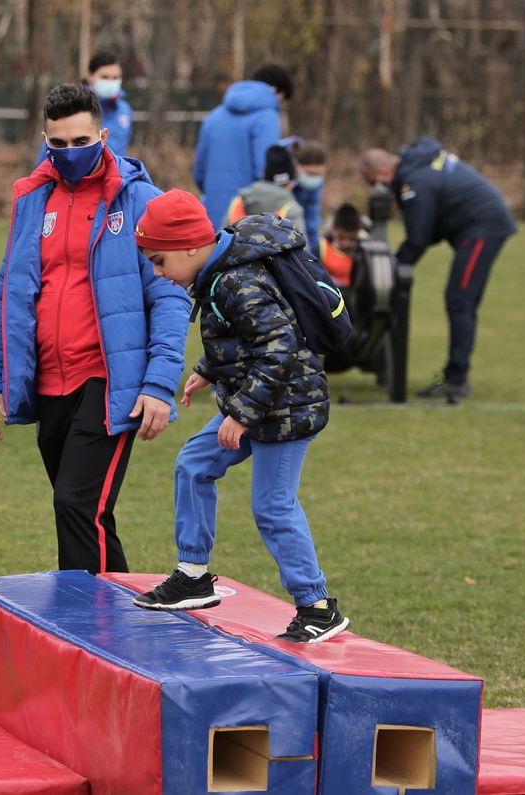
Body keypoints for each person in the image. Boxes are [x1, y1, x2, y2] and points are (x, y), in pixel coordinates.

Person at [0, 83, 190, 575]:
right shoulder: (31, 200)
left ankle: (91, 632)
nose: (70, 153)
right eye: (59, 145)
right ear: (45, 140)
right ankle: (116, 625)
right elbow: (6, 294)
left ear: (103, 133)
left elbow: (170, 297)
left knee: (75, 504)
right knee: (85, 513)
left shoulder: (141, 202)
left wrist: (159, 383)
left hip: (109, 381)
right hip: (49, 382)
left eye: (81, 142)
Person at [130, 190, 350, 644]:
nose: (157, 273)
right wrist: (207, 370)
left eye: (159, 261)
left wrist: (241, 415)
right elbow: (245, 337)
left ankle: (318, 606)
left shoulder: (234, 281)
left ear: (189, 247)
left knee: (273, 506)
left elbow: (279, 346)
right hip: (256, 402)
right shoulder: (217, 274)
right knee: (194, 463)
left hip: (286, 409)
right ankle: (192, 574)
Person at [361, 138, 517, 400]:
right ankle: (455, 373)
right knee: (461, 301)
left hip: (483, 227)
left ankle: (457, 379)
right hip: (478, 224)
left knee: (460, 300)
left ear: (383, 173)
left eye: (373, 183)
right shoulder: (418, 165)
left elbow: (419, 237)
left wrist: (394, 268)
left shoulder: (415, 182)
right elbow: (429, 230)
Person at [194, 63, 292, 228]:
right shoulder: (267, 117)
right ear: (275, 90)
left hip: (211, 220)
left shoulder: (213, 116)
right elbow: (266, 170)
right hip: (246, 221)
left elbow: (199, 174)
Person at [225, 144, 306, 237]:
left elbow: (220, 245)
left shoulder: (238, 203)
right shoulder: (291, 210)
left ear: (264, 175)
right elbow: (303, 248)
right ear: (290, 183)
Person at [87, 50, 133, 157]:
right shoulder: (76, 107)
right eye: (104, 77)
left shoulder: (124, 110)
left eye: (115, 78)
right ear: (90, 76)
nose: (111, 82)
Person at [293, 140, 327, 246]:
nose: (313, 179)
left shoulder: (316, 186)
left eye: (316, 174)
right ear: (296, 165)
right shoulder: (287, 184)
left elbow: (312, 223)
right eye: (309, 174)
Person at [321, 202, 363, 287]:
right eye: (341, 237)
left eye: (352, 239)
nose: (346, 243)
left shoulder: (360, 252)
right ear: (333, 229)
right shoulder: (322, 247)